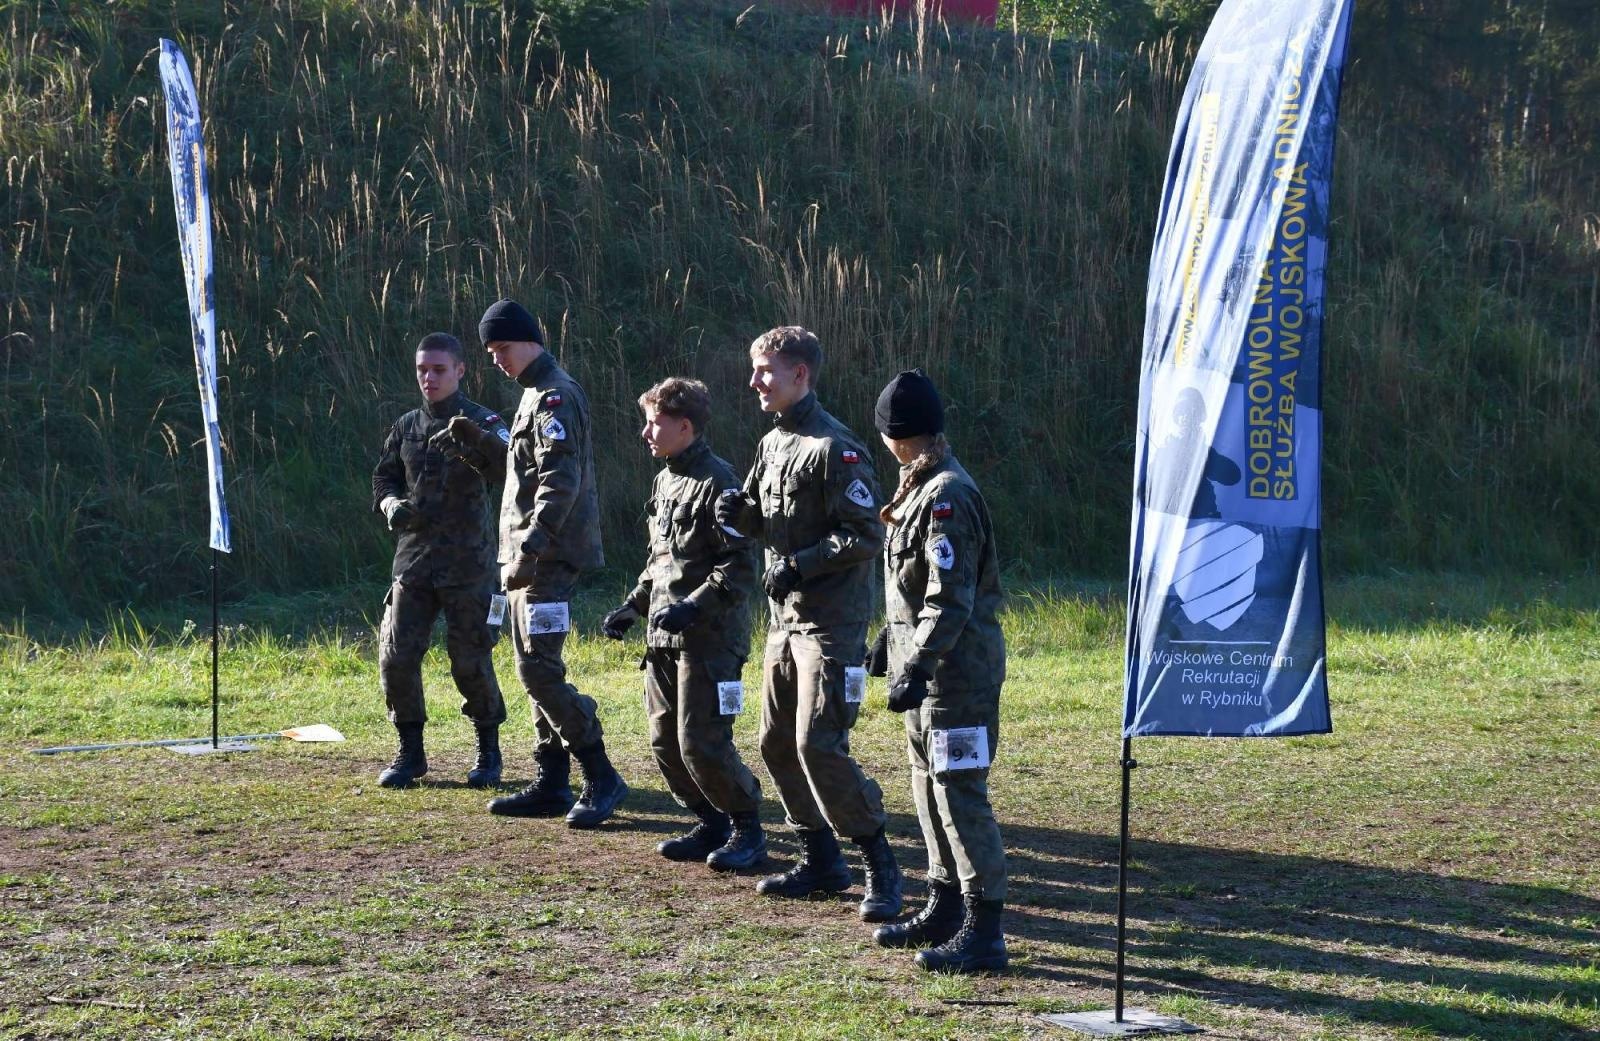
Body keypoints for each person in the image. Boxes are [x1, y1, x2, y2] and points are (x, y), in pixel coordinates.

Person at [713, 326, 902, 922]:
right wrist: (738, 516)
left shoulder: (834, 447)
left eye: (765, 372)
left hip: (831, 625)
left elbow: (866, 534)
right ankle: (820, 857)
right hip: (783, 622)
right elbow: (763, 521)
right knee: (774, 743)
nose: (754, 383)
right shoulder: (773, 445)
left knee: (816, 743)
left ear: (801, 375)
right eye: (753, 371)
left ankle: (878, 859)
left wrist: (800, 564)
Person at [439, 299, 628, 828]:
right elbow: (524, 475)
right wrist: (479, 448)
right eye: (491, 352)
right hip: (530, 555)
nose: (496, 360)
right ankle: (552, 778)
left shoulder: (554, 397)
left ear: (527, 340)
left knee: (538, 670)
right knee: (532, 668)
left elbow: (559, 481)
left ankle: (601, 775)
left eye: (501, 349)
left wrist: (531, 548)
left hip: (546, 558)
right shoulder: (531, 397)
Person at [867, 369, 1008, 973]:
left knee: (959, 791)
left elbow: (951, 597)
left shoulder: (946, 495)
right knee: (927, 786)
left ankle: (984, 927)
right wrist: (889, 642)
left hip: (955, 676)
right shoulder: (918, 487)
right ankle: (945, 901)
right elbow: (915, 589)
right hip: (926, 669)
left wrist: (918, 661)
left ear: (890, 434)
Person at [601, 378, 767, 870]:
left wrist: (693, 606)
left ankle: (746, 827)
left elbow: (740, 568)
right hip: (662, 636)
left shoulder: (720, 482)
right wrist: (633, 607)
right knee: (665, 742)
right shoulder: (665, 479)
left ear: (685, 426)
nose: (646, 433)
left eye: (654, 423)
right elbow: (660, 560)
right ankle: (708, 821)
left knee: (702, 740)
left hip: (710, 640)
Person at [370, 332, 510, 789]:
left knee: (469, 659)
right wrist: (390, 504)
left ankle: (488, 751)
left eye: (438, 370)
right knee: (396, 656)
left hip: (469, 564)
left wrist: (481, 443)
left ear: (460, 371)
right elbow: (384, 477)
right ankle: (410, 753)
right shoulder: (407, 425)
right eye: (421, 370)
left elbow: (513, 470)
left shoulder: (483, 422)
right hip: (413, 561)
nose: (428, 378)